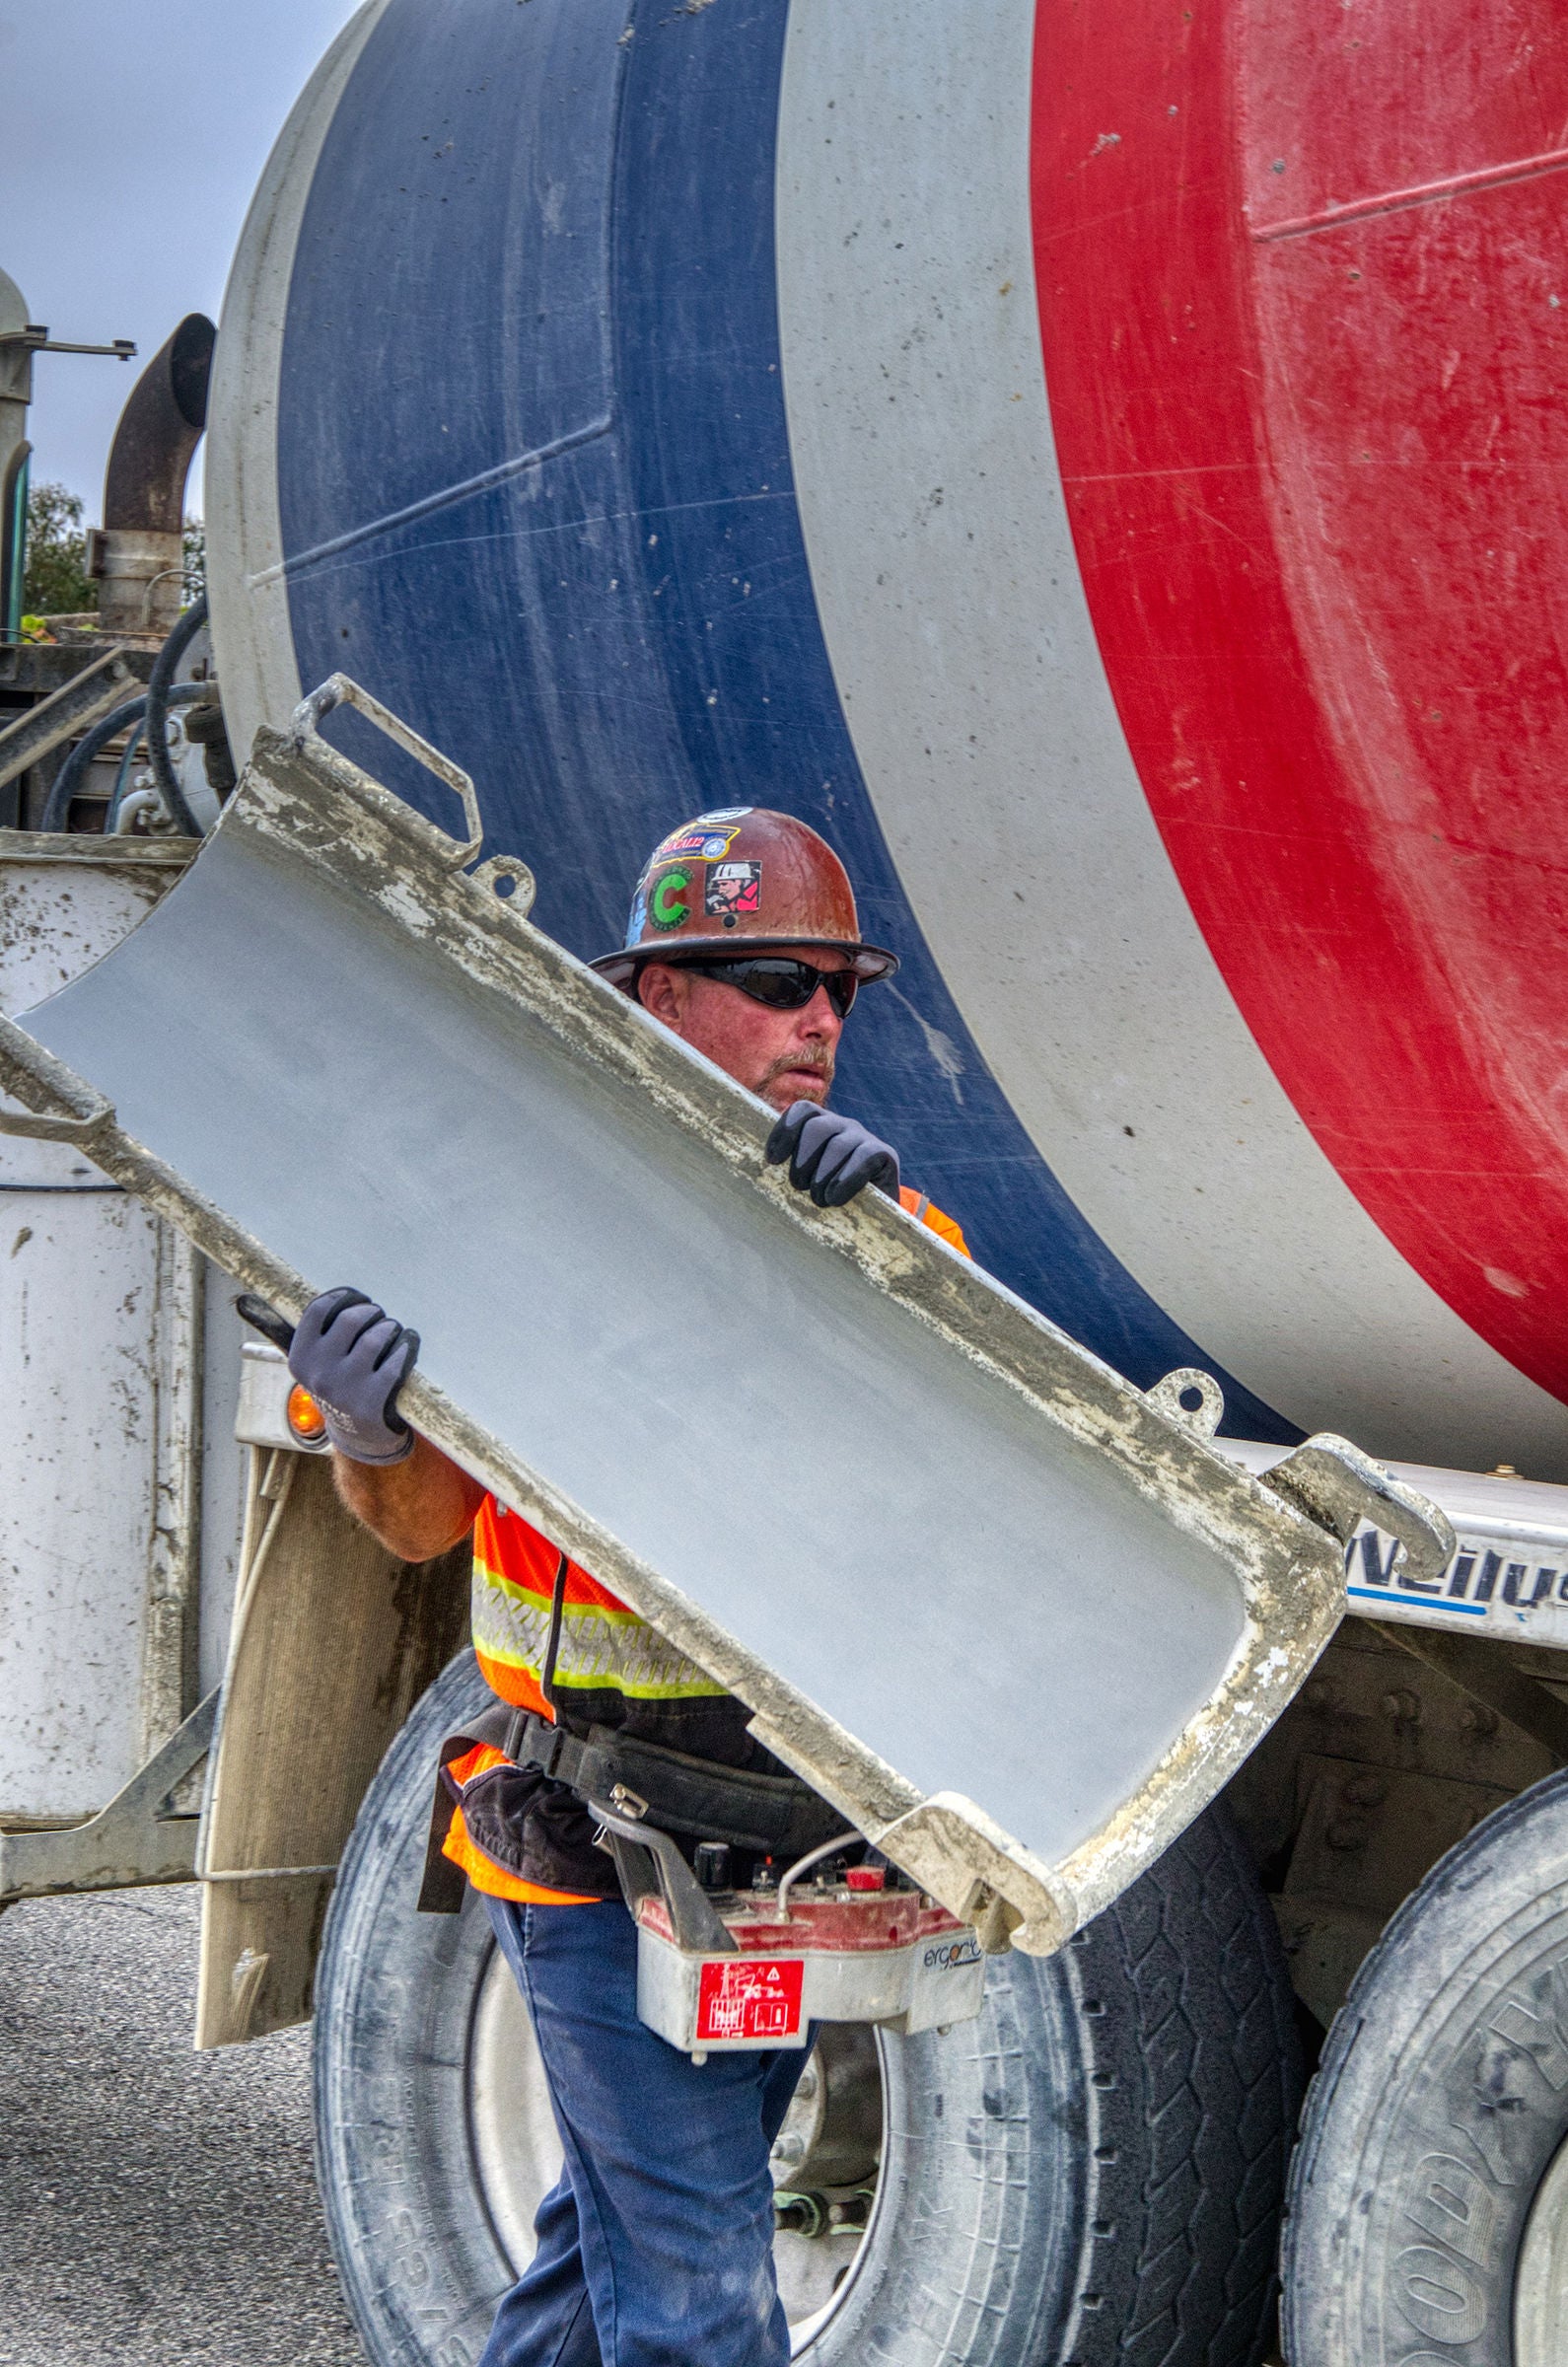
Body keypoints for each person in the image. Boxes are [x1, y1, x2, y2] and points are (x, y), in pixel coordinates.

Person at [288, 808, 968, 2367]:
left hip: (784, 1858)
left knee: (611, 2253)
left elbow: (965, 1470)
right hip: (593, 1847)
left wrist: (878, 1260)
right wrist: (372, 1427)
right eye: (771, 978)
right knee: (695, 2298)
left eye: (836, 989)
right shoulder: (521, 1220)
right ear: (661, 999)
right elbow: (409, 1527)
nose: (817, 1019)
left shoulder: (876, 1228)